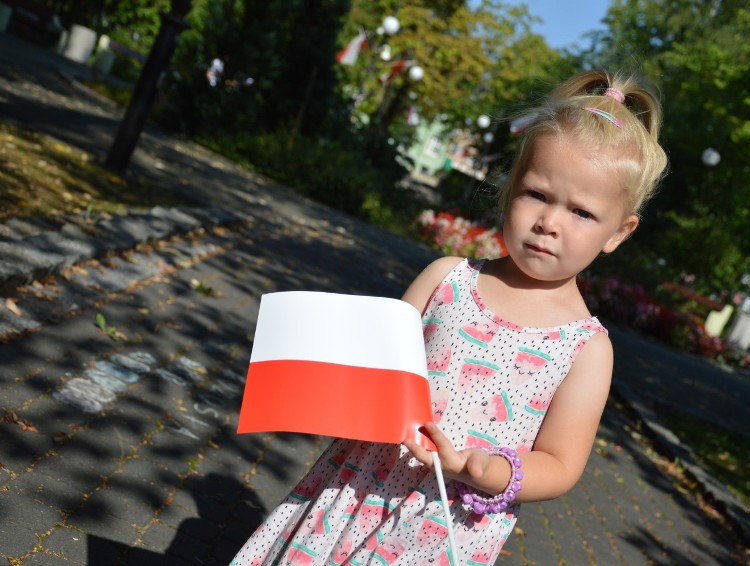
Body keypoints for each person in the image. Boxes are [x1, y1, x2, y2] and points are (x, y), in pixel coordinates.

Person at [231, 69, 668, 565]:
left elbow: (562, 463)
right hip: (356, 487)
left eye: (582, 213)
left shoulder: (587, 348)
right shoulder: (446, 278)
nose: (550, 223)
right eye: (537, 195)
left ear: (619, 232)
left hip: (444, 524)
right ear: (510, 189)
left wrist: (487, 470)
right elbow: (376, 360)